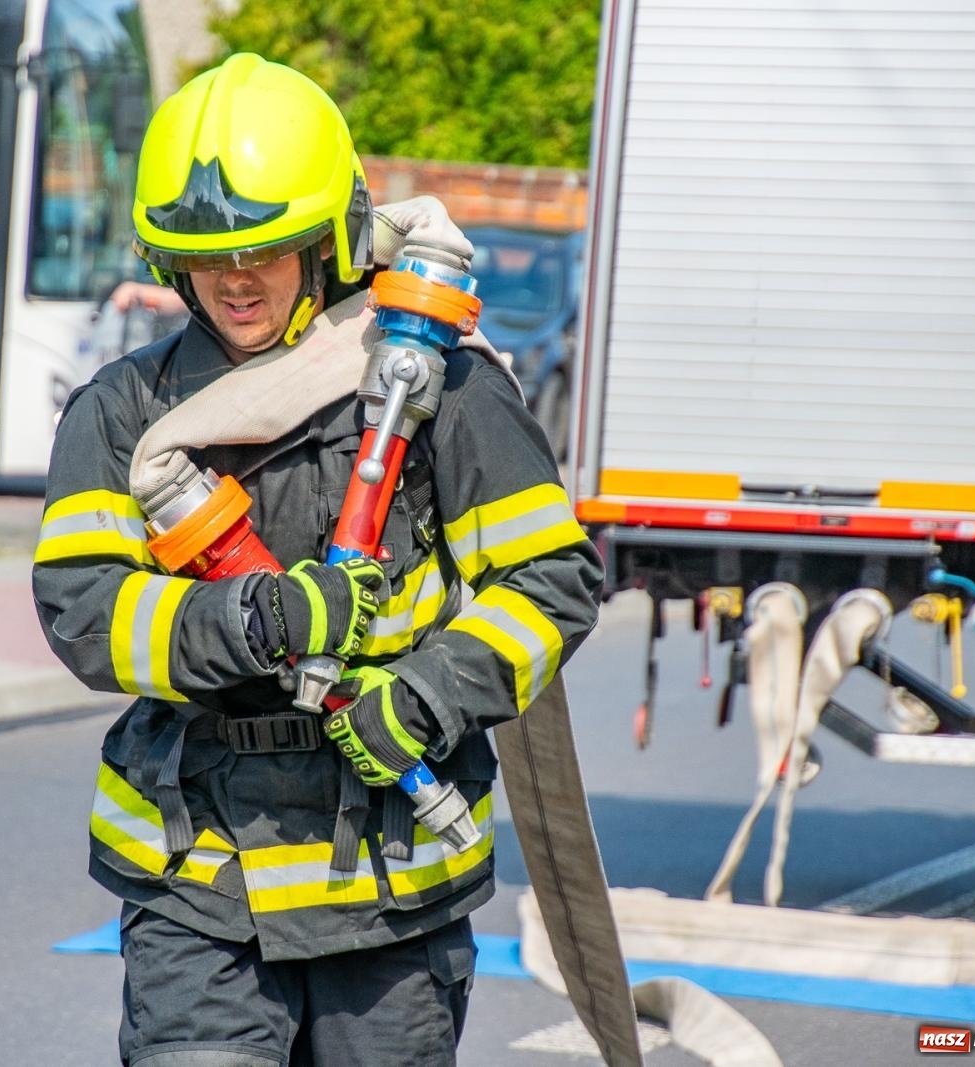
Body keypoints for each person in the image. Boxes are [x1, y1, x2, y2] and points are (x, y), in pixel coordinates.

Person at [33, 54, 603, 1065]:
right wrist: (253, 622)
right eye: (208, 257)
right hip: (197, 880)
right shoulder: (125, 411)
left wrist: (426, 696)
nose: (235, 279)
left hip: (392, 891)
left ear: (329, 238)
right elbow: (85, 611)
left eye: (265, 249)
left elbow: (551, 581)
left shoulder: (441, 388)